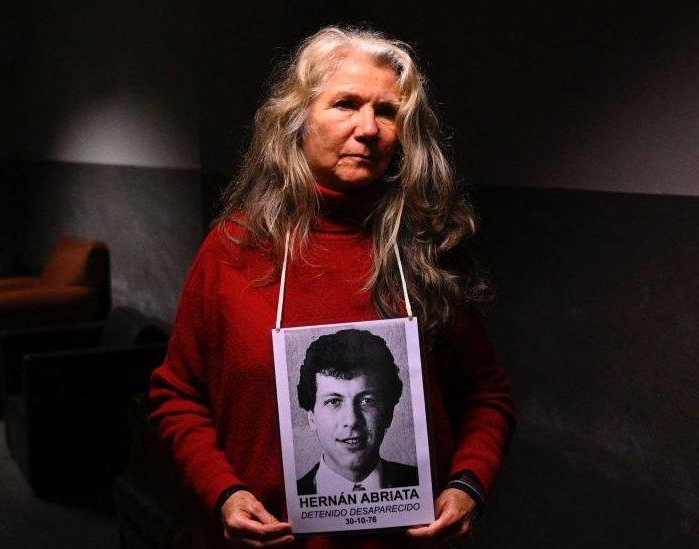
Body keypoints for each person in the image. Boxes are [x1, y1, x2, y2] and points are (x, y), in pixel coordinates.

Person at [150, 26, 514, 548]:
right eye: (345, 104)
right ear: (297, 122)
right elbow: (176, 394)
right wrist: (223, 491)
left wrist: (468, 483)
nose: (369, 128)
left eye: (387, 112)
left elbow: (486, 393)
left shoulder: (426, 249)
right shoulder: (234, 247)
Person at [295, 329, 418, 495]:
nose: (352, 420)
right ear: (312, 418)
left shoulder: (421, 484)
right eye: (334, 401)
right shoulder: (290, 501)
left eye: (366, 401)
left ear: (389, 413)